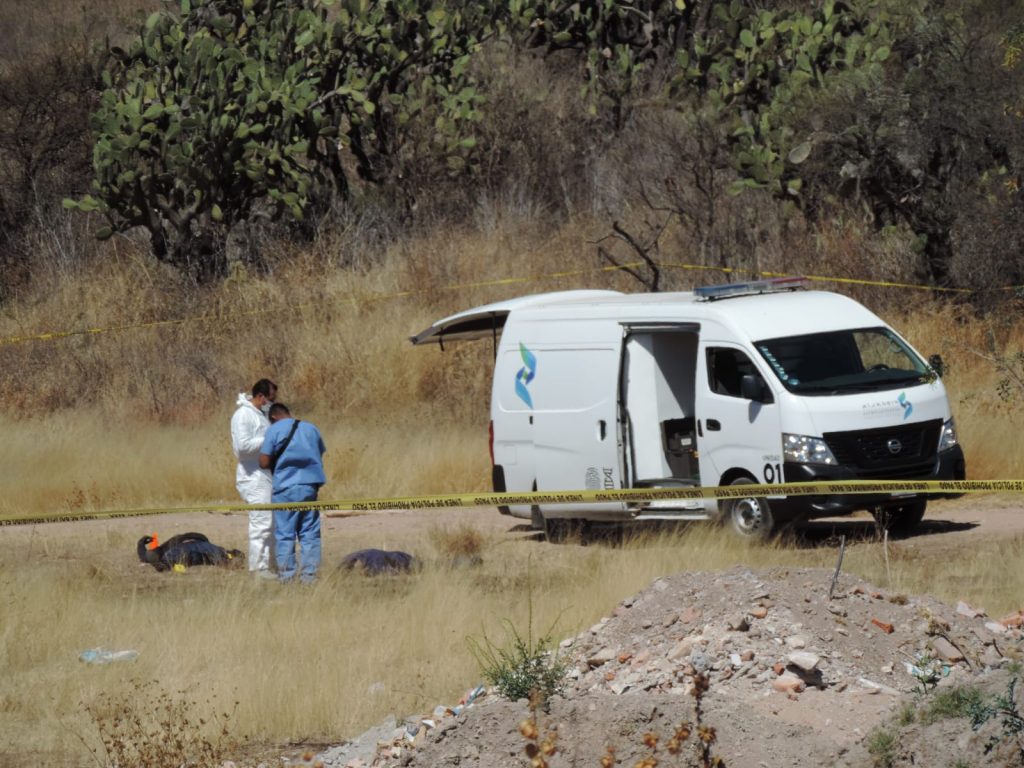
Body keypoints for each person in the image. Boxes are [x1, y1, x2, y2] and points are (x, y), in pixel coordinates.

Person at [259, 403, 326, 583]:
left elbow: (263, 462)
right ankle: (309, 577)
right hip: (310, 486)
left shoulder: (274, 430)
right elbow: (319, 453)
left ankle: (287, 577)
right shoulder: (311, 428)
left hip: (285, 487)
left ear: (273, 417)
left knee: (285, 533)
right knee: (310, 533)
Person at [230, 378, 277, 578]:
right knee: (261, 522)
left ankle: (271, 564)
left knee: (271, 522)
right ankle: (258, 568)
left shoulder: (261, 414)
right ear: (260, 397)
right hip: (252, 477)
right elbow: (242, 447)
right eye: (271, 399)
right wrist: (270, 439)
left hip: (266, 475)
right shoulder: (243, 415)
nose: (272, 403)